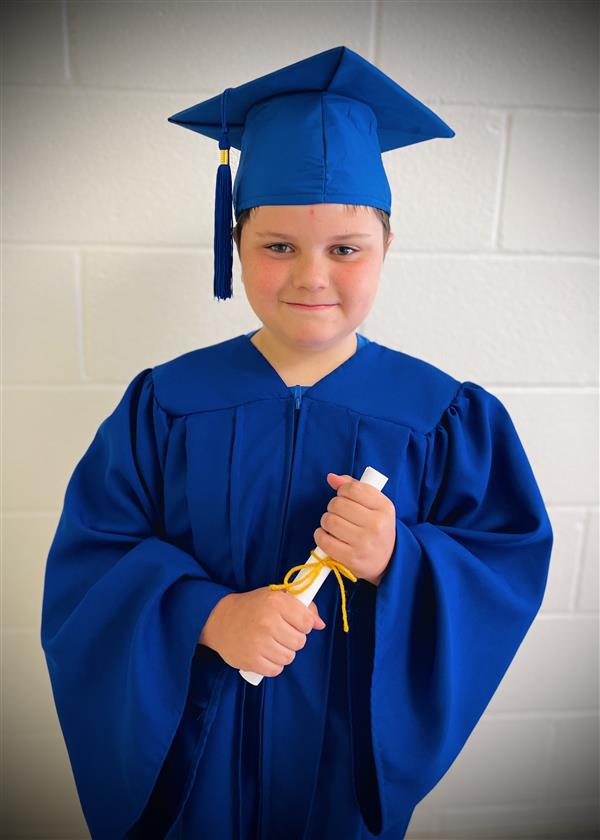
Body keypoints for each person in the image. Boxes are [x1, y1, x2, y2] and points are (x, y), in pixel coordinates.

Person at [40, 46, 553, 840]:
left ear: (386, 250)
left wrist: (399, 558)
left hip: (342, 762)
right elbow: (90, 564)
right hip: (194, 750)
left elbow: (504, 564)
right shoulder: (166, 402)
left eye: (345, 248)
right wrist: (206, 615)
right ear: (235, 245)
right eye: (278, 245)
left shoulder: (444, 416)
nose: (312, 276)